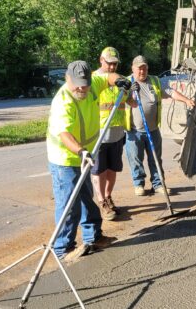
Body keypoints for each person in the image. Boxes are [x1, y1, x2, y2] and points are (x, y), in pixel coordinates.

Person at [46, 60, 135, 260]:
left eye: (85, 83)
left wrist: (121, 81)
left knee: (87, 197)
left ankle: (93, 237)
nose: (82, 87)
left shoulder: (93, 83)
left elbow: (109, 77)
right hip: (65, 157)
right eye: (77, 83)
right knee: (69, 204)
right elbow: (64, 134)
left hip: (87, 153)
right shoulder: (63, 100)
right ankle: (64, 248)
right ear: (67, 78)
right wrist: (81, 151)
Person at [125, 55, 195, 196]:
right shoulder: (126, 82)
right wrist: (128, 93)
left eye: (144, 68)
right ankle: (138, 185)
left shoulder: (155, 81)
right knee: (136, 160)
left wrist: (186, 100)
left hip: (153, 130)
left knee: (156, 158)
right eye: (139, 68)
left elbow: (171, 92)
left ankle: (158, 184)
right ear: (133, 68)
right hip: (134, 131)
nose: (142, 71)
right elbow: (118, 100)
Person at [91, 47, 126, 221]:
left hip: (118, 132)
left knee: (113, 169)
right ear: (101, 60)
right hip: (99, 134)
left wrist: (132, 91)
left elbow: (131, 102)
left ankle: (108, 196)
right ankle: (101, 201)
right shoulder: (93, 79)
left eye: (115, 64)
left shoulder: (121, 80)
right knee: (99, 170)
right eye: (109, 63)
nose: (112, 67)